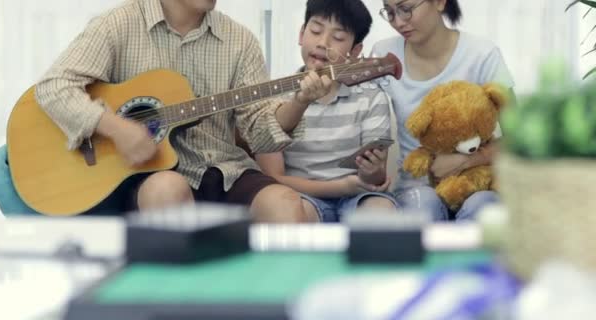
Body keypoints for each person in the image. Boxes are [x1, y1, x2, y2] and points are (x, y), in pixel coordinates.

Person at [35, 0, 334, 222]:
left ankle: (266, 305)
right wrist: (116, 128)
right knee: (167, 189)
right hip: (152, 173)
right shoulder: (118, 24)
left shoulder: (240, 40)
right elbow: (53, 86)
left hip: (226, 170)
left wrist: (300, 101)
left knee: (284, 203)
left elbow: (260, 135)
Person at [371, 0, 515, 221]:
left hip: (477, 183)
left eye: (406, 9)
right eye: (390, 13)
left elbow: (520, 138)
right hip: (415, 189)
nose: (398, 22)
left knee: (482, 207)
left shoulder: (482, 54)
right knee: (423, 206)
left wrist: (468, 160)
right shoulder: (384, 55)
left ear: (439, 2)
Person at [256, 0, 398, 223]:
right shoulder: (273, 96)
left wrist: (372, 172)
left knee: (381, 208)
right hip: (302, 197)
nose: (323, 43)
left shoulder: (371, 97)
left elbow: (375, 178)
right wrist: (340, 187)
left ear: (355, 51)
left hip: (357, 197)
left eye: (338, 37)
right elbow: (273, 178)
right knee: (286, 211)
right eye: (315, 30)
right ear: (301, 34)